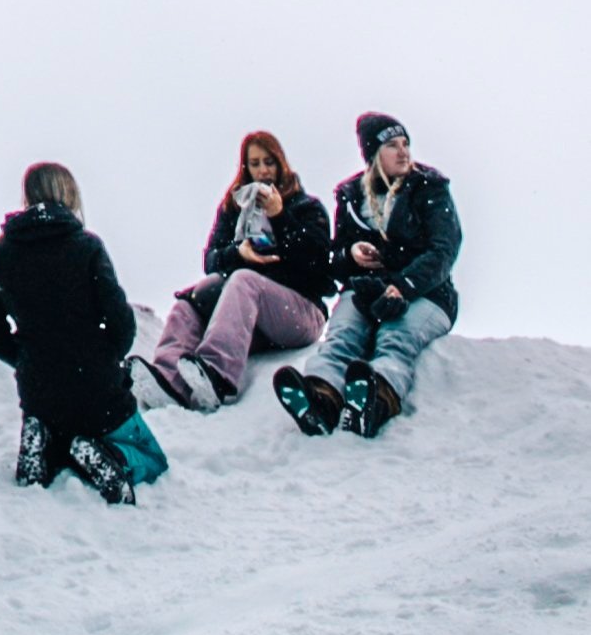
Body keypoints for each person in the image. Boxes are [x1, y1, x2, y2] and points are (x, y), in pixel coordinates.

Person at [0, 162, 167, 505]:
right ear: (69, 196)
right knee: (152, 458)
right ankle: (110, 456)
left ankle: (45, 446)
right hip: (96, 387)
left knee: (60, 434)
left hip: (39, 390)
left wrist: (25, 358)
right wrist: (105, 356)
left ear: (27, 198)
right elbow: (122, 323)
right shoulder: (86, 246)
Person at [273, 113, 461, 439]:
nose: (403, 152)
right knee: (341, 337)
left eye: (405, 144)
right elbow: (335, 261)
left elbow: (443, 250)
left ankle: (375, 401)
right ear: (373, 154)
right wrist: (352, 254)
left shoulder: (429, 188)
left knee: (396, 338)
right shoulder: (351, 196)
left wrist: (402, 286)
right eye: (392, 145)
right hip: (366, 289)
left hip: (426, 293)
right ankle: (319, 400)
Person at [132, 130, 330, 412]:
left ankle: (218, 375)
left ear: (281, 164)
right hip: (253, 320)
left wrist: (280, 217)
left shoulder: (306, 207)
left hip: (301, 312)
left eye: (269, 162)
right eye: (255, 163)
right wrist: (238, 253)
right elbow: (211, 259)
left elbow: (317, 263)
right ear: (246, 168)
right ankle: (169, 380)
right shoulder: (234, 208)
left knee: (244, 281)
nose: (263, 171)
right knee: (188, 303)